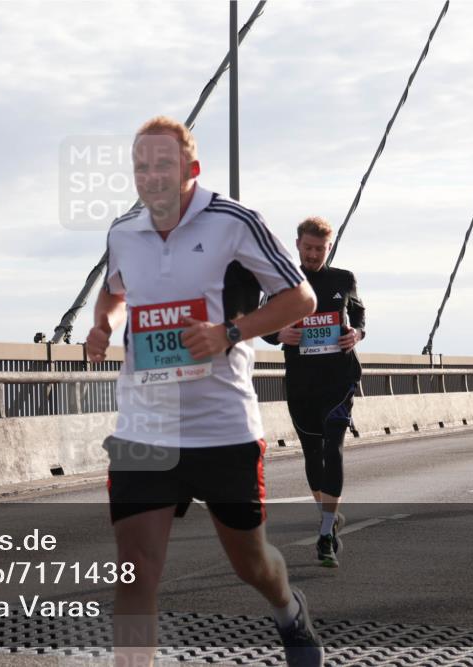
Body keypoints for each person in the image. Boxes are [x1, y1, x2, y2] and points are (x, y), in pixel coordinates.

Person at [85, 116, 323, 667]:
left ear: (191, 169)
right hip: (144, 427)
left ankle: (288, 608)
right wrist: (101, 325)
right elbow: (113, 292)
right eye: (141, 166)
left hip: (222, 426)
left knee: (251, 564)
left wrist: (229, 333)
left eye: (163, 163)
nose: (151, 175)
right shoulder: (124, 231)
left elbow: (301, 299)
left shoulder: (234, 221)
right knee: (136, 571)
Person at [263, 217, 365, 568]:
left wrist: (357, 335)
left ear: (329, 248)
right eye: (308, 248)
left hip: (338, 380)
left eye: (320, 249)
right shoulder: (282, 282)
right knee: (312, 452)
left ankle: (325, 533)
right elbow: (262, 324)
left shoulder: (342, 279)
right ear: (297, 245)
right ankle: (328, 515)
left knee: (333, 447)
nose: (313, 254)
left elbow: (359, 314)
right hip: (302, 382)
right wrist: (279, 335)